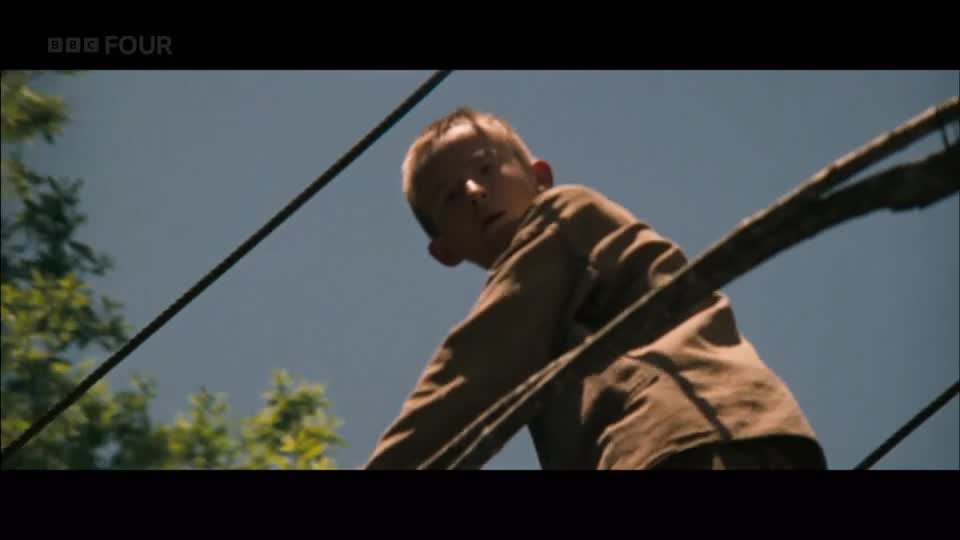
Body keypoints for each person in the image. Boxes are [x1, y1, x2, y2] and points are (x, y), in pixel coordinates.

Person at [364, 107, 828, 470]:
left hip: (685, 434)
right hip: (720, 437)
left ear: (540, 178)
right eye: (450, 196)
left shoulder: (564, 218)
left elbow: (472, 371)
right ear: (445, 251)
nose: (473, 191)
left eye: (486, 169)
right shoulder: (541, 321)